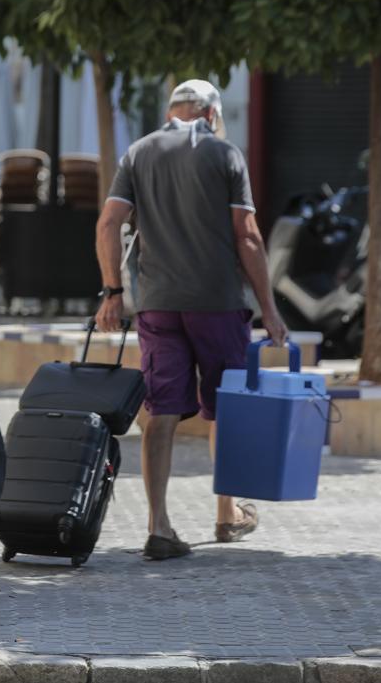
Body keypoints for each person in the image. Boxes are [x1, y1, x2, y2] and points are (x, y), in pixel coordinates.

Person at [93, 79, 288, 561]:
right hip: (219, 302)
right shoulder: (225, 154)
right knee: (229, 406)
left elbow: (107, 223)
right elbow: (247, 236)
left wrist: (113, 292)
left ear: (171, 111)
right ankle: (225, 514)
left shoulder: (139, 152)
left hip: (158, 303)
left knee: (159, 413)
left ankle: (159, 525)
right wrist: (270, 307)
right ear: (211, 113)